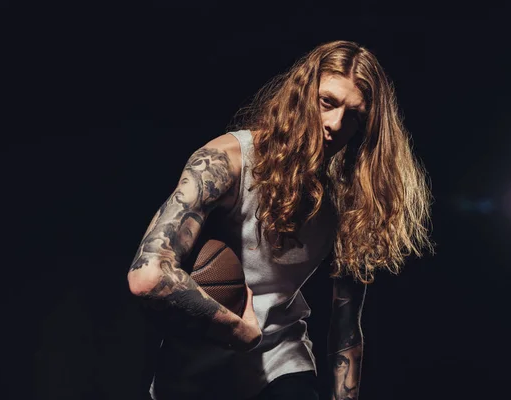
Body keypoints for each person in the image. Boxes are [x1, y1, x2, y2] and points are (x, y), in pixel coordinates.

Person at [127, 40, 433, 400]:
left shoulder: (350, 198)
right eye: (327, 102)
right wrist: (239, 332)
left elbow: (346, 332)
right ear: (302, 95)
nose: (335, 124)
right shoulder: (226, 161)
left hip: (281, 366)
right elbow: (148, 276)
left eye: (354, 115)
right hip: (194, 370)